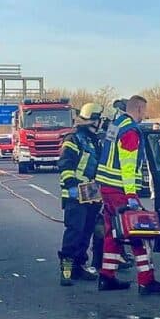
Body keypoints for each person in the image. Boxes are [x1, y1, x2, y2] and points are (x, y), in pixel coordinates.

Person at [95, 95, 160, 295]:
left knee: (113, 233)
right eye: (144, 110)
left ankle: (107, 276)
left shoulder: (116, 125)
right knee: (139, 233)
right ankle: (146, 281)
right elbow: (128, 165)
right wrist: (131, 195)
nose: (145, 115)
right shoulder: (130, 131)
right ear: (138, 109)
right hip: (120, 188)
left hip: (107, 187)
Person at [57, 103, 106, 286]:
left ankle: (79, 267)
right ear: (93, 120)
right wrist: (72, 185)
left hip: (91, 192)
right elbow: (65, 164)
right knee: (74, 232)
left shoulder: (95, 140)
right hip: (75, 194)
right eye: (99, 120)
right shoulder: (73, 139)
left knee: (86, 232)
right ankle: (66, 271)